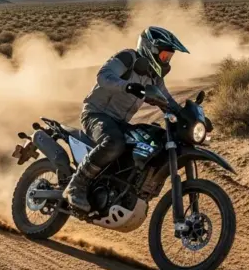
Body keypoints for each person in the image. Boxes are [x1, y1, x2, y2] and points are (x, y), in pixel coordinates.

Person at [63, 26, 189, 212]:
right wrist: (128, 86)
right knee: (113, 142)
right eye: (164, 56)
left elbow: (167, 100)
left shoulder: (155, 77)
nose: (167, 61)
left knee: (147, 141)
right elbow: (103, 76)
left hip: (120, 122)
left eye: (169, 58)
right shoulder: (128, 58)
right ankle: (76, 185)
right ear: (150, 49)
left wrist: (187, 116)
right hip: (96, 114)